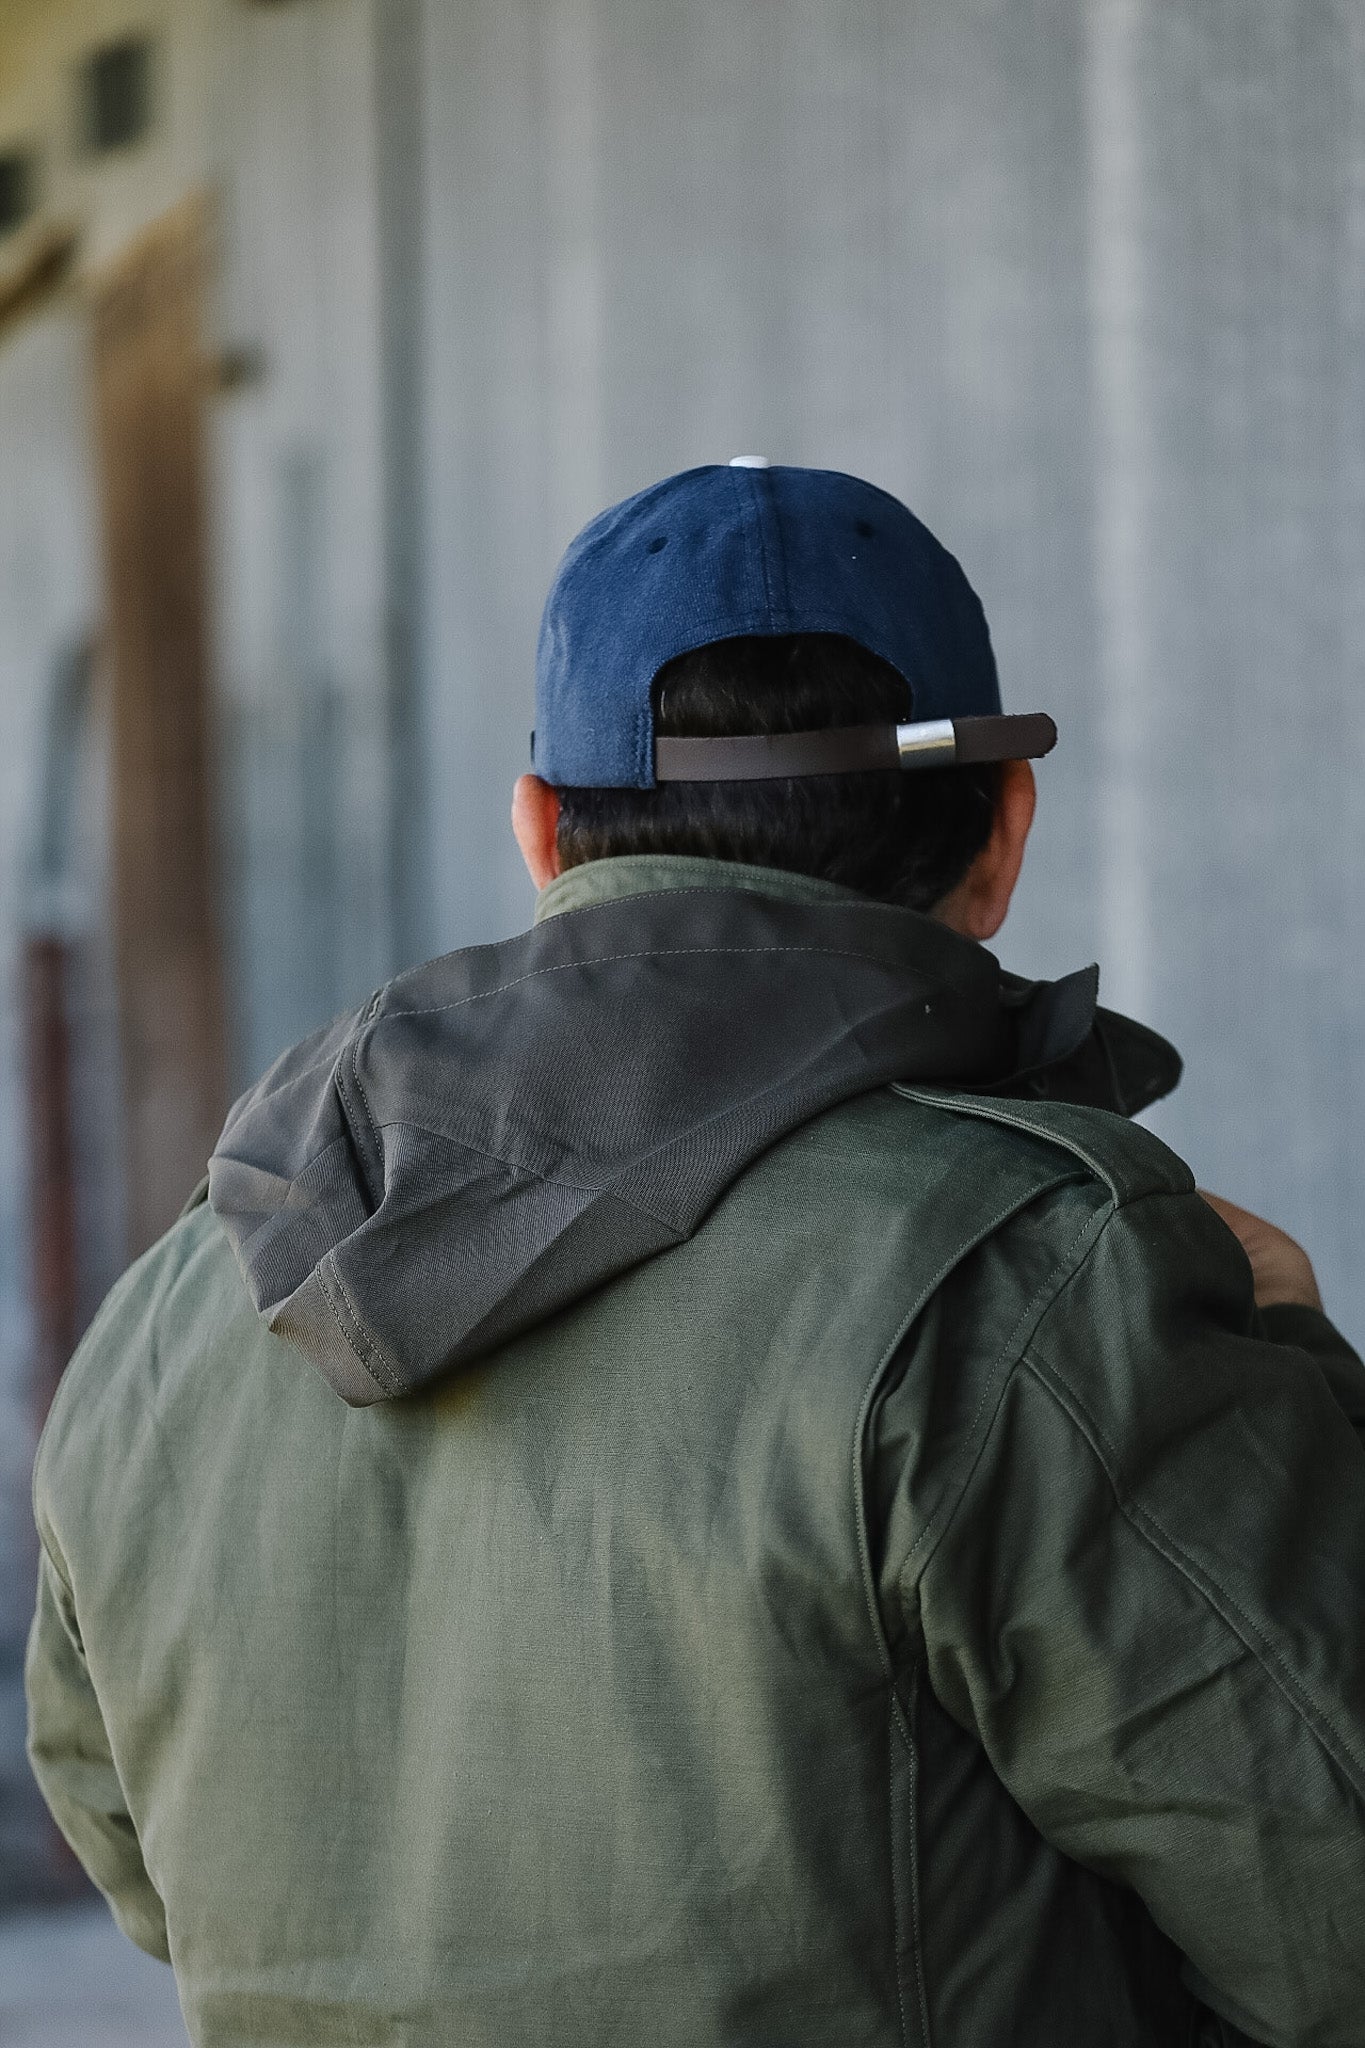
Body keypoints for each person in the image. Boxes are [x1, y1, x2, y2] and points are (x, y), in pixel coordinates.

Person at [26, 462, 1365, 2047]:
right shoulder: (1032, 1285)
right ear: (1002, 829)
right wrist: (1299, 1380)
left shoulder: (185, 1297)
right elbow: (1327, 1899)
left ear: (543, 832)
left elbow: (143, 1856)